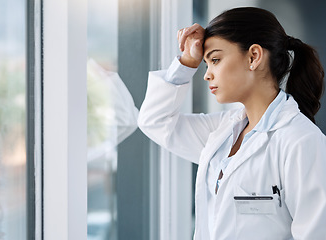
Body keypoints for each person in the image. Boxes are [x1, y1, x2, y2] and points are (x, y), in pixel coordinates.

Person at [137, 7, 326, 240]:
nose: (206, 74)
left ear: (253, 56)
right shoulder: (221, 132)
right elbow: (155, 121)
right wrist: (186, 62)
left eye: (215, 60)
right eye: (206, 64)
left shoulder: (300, 140)